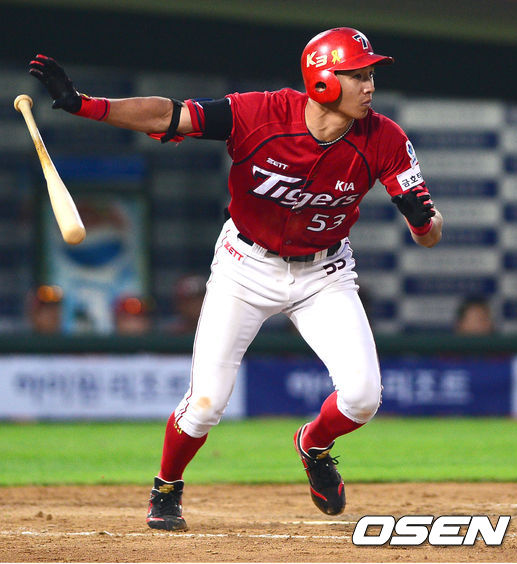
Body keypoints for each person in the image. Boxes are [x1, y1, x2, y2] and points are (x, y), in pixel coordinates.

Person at [29, 26, 443, 531]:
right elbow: (168, 115)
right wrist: (84, 105)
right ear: (322, 81)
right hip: (244, 265)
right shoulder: (260, 114)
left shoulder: (386, 139)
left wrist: (423, 222)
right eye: (357, 75)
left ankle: (313, 444)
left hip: (325, 272)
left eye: (371, 74)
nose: (369, 85)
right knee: (205, 405)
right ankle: (167, 486)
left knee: (362, 397)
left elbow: (429, 235)